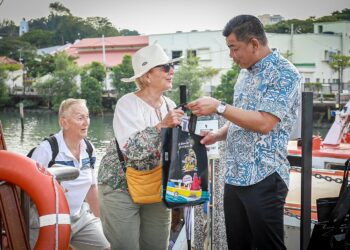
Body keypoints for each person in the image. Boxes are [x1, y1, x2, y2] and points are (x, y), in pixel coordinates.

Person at [188, 15, 301, 250]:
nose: (231, 55)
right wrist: (220, 134)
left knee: (268, 246)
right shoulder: (244, 72)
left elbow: (263, 123)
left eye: (233, 48)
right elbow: (242, 116)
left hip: (265, 176)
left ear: (254, 44)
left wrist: (219, 106)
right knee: (238, 245)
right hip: (234, 174)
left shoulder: (284, 73)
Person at [98, 44, 185, 250]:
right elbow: (133, 150)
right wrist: (162, 125)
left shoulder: (170, 105)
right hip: (120, 186)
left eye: (171, 66)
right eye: (164, 67)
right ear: (146, 76)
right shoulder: (127, 104)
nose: (171, 71)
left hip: (156, 183)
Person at [30, 98, 110, 250]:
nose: (86, 122)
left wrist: (100, 222)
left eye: (87, 116)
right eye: (80, 118)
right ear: (64, 123)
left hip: (79, 216)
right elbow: (28, 188)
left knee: (105, 247)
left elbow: (92, 188)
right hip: (48, 218)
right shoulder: (47, 149)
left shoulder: (89, 148)